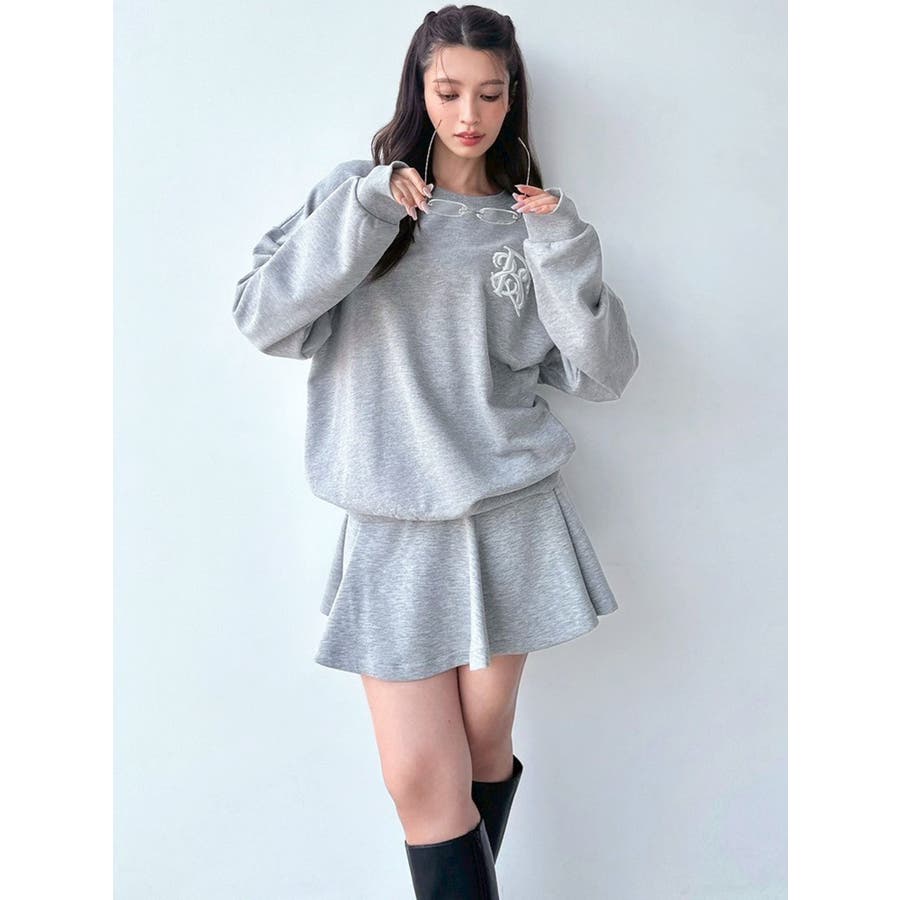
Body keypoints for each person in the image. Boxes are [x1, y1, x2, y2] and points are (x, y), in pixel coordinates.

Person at [232, 6, 639, 897]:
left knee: (481, 751)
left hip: (509, 516)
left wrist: (561, 245)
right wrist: (368, 210)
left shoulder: (534, 224)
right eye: (450, 91)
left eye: (490, 94)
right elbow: (262, 318)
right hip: (392, 526)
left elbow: (604, 372)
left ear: (512, 97)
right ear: (419, 89)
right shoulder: (358, 195)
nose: (469, 114)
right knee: (421, 778)